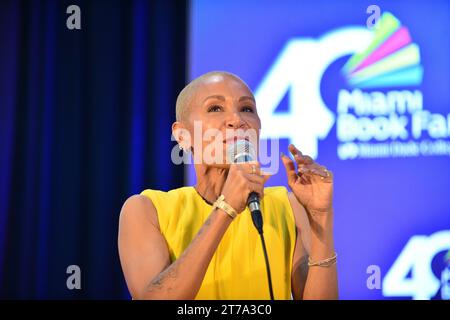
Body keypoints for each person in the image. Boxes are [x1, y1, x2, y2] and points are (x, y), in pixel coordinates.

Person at [118, 71, 338, 299]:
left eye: (247, 109)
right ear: (182, 136)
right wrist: (226, 209)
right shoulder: (146, 210)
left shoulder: (288, 206)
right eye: (215, 108)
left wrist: (321, 216)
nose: (237, 120)